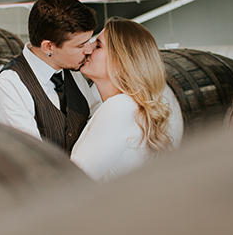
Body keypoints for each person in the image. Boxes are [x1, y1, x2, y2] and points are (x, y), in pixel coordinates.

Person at [0, 0, 100, 154]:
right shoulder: (9, 85)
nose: (89, 50)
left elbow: (94, 120)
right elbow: (29, 156)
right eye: (80, 45)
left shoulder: (72, 70)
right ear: (48, 47)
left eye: (89, 41)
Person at [70, 17, 176, 181]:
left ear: (120, 62)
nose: (88, 49)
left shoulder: (119, 108)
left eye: (98, 45)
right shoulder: (130, 106)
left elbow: (75, 178)